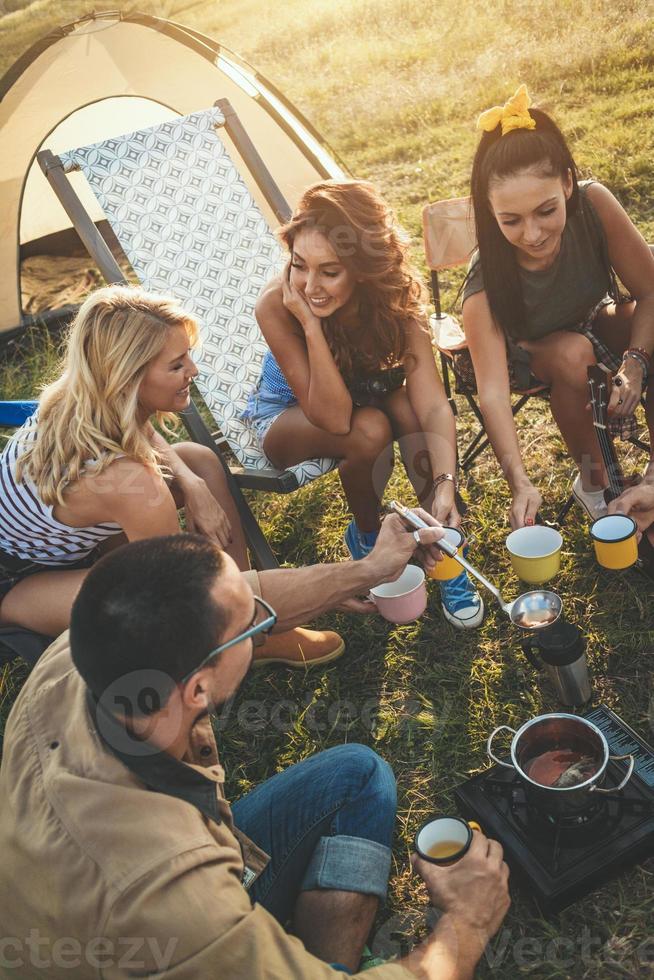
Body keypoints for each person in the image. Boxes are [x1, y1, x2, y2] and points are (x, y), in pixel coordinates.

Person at [0, 515, 510, 979]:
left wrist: (368, 569)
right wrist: (469, 919)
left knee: (356, 776)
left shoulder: (82, 653)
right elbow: (179, 904)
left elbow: (250, 590)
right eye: (252, 627)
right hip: (147, 945)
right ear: (198, 688)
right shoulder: (176, 897)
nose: (269, 621)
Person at [0, 285, 343, 667]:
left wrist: (192, 483)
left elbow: (139, 429)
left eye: (188, 357)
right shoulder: (131, 484)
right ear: (127, 379)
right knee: (154, 601)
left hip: (71, 543)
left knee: (197, 460)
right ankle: (240, 632)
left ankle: (252, 632)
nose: (192, 372)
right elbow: (173, 590)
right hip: (18, 581)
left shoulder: (85, 396)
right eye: (176, 365)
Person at [243, 180, 483, 629]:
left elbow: (433, 405)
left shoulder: (396, 302)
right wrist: (311, 326)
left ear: (363, 271)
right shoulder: (278, 306)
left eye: (329, 272)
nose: (310, 285)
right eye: (299, 266)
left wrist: (447, 481)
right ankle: (369, 536)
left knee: (408, 408)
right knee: (369, 427)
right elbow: (332, 418)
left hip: (361, 394)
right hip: (288, 416)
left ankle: (444, 539)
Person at [462, 85, 654, 529]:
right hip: (529, 353)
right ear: (490, 212)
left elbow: (649, 290)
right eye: (510, 220)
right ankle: (595, 481)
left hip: (591, 319)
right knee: (572, 354)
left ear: (567, 183)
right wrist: (519, 483)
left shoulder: (593, 204)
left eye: (546, 210)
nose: (532, 234)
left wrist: (637, 361)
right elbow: (492, 394)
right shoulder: (484, 283)